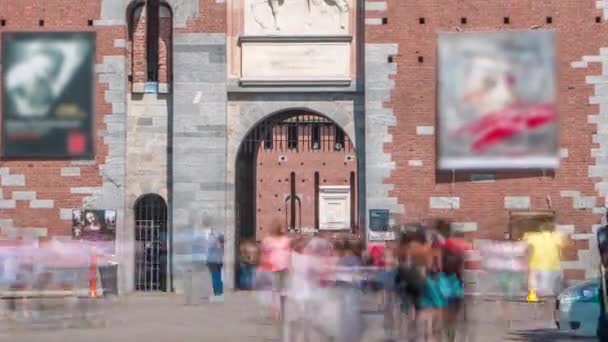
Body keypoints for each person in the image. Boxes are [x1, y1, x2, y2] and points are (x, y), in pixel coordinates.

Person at [260, 221, 291, 321]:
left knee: (284, 291)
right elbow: (264, 253)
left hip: (285, 267)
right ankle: (276, 312)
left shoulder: (286, 240)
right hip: (273, 268)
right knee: (275, 291)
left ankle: (283, 311)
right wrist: (264, 265)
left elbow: (289, 253)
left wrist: (291, 266)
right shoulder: (268, 240)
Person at [523, 222, 564, 297]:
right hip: (552, 265)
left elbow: (528, 249)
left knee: (534, 286)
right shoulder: (557, 236)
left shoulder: (533, 236)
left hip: (535, 264)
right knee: (549, 290)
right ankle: (547, 303)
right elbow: (561, 250)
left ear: (541, 229)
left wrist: (527, 261)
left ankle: (534, 299)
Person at [207, 232, 225, 302]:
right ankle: (219, 294)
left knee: (215, 278)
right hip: (218, 262)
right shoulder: (220, 245)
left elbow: (209, 248)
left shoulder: (214, 243)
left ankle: (217, 295)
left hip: (213, 262)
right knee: (218, 278)